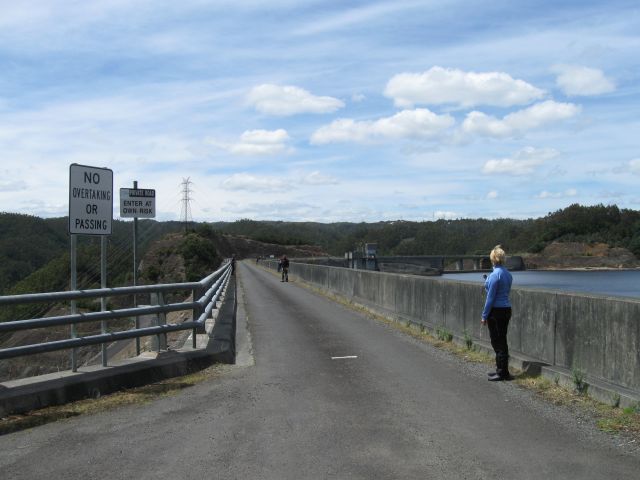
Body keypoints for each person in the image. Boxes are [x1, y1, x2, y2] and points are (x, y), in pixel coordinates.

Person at [481, 245, 513, 381]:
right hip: (506, 309)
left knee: (497, 342)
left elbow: (491, 298)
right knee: (502, 340)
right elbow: (503, 292)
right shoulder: (508, 274)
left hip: (496, 311)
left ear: (493, 259)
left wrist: (484, 316)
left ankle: (502, 373)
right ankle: (500, 369)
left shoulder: (495, 275)